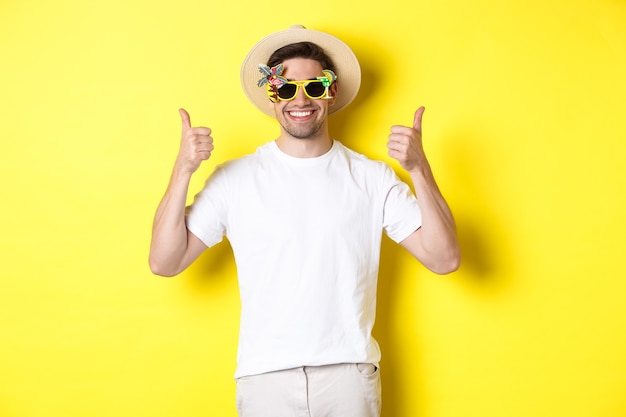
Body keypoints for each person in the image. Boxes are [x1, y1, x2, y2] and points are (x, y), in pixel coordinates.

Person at [149, 25, 460, 417]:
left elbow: (444, 258)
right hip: (265, 381)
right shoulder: (235, 180)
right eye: (285, 88)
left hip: (348, 376)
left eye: (313, 87)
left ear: (329, 94)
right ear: (272, 95)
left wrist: (419, 170)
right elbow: (164, 261)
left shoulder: (371, 178)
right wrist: (182, 170)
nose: (300, 99)